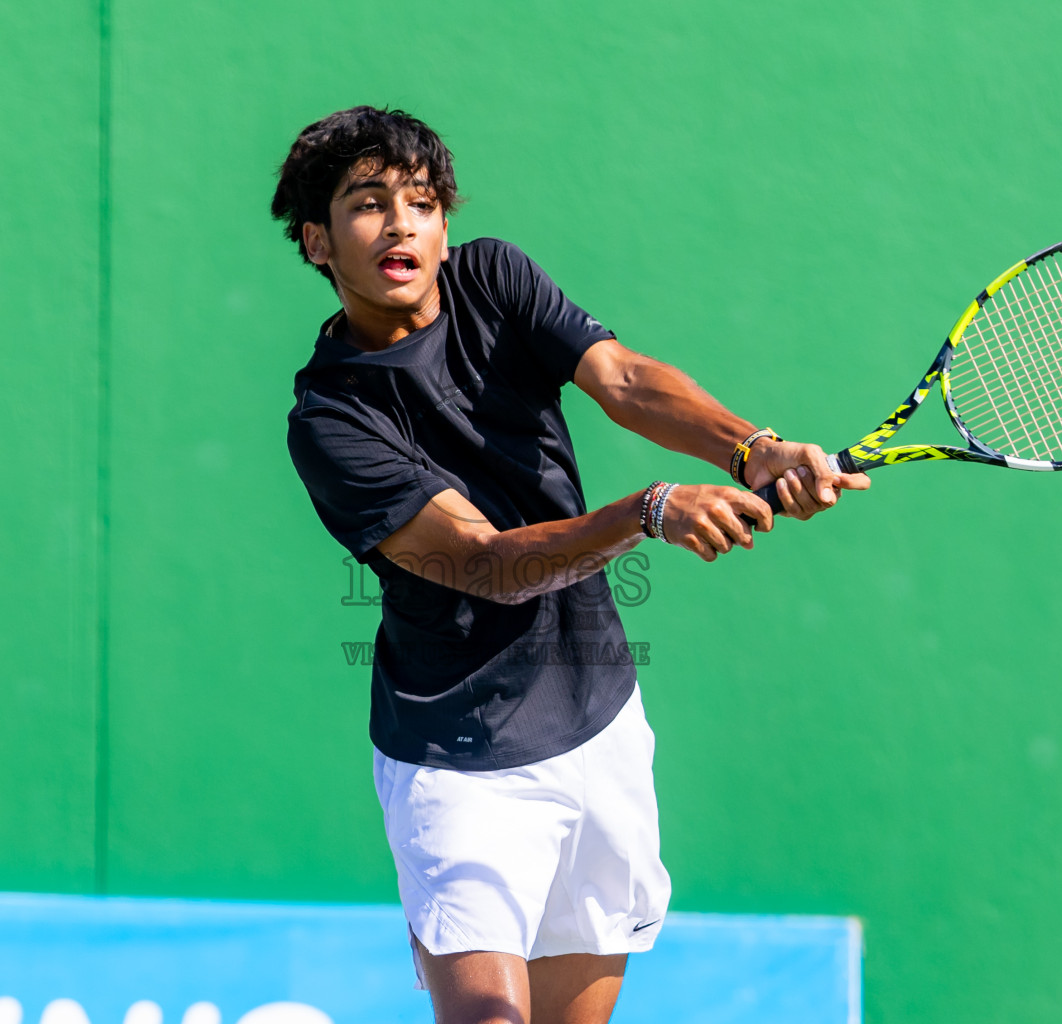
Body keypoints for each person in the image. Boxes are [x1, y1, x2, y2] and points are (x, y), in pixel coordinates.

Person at [273, 106, 869, 1024]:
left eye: (423, 202)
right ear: (318, 240)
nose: (402, 224)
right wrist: (650, 511)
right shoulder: (331, 422)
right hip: (455, 754)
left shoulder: (496, 279)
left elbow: (623, 381)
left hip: (596, 727)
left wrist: (756, 449)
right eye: (368, 204)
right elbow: (483, 564)